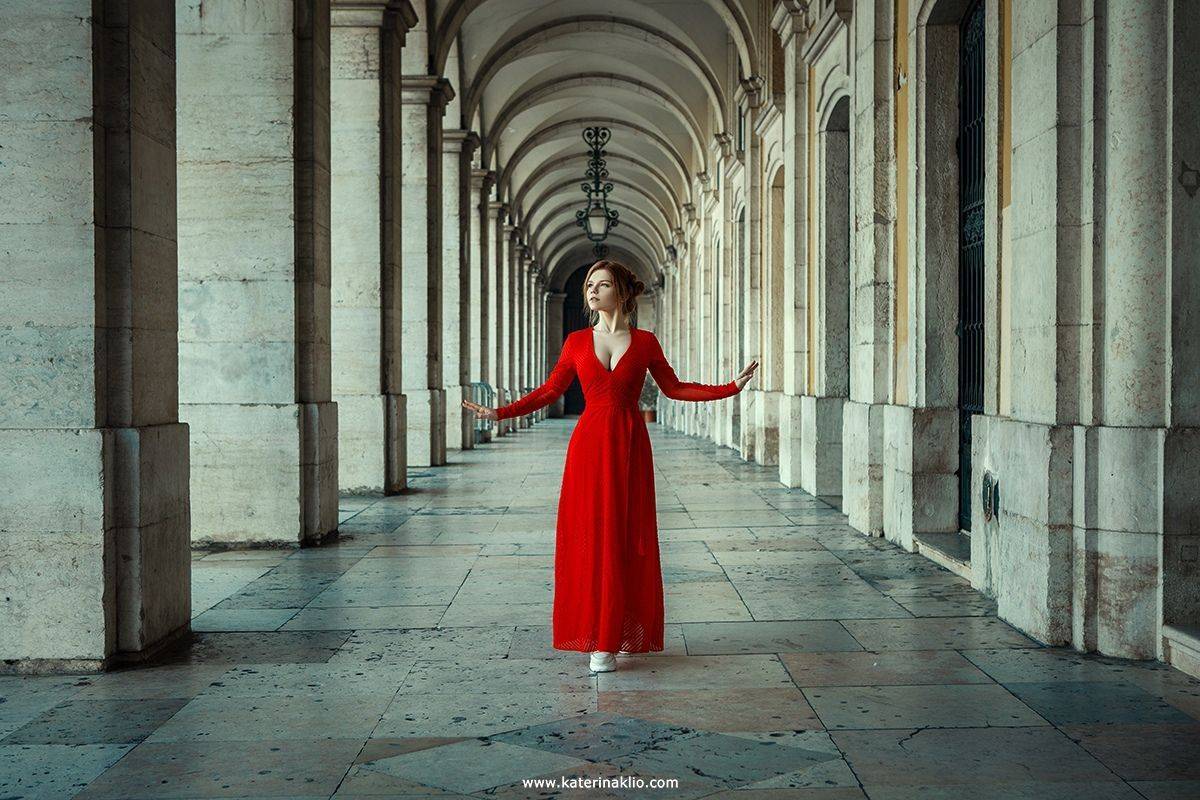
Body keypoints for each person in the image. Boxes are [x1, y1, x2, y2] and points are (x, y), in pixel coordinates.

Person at [462, 260, 758, 673]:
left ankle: (616, 635)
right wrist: (500, 413)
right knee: (590, 537)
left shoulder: (646, 342)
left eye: (602, 284)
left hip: (630, 448)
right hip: (587, 449)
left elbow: (674, 389)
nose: (592, 291)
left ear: (622, 292)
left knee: (625, 538)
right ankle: (599, 639)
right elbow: (551, 391)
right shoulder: (577, 342)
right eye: (588, 285)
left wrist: (730, 387)